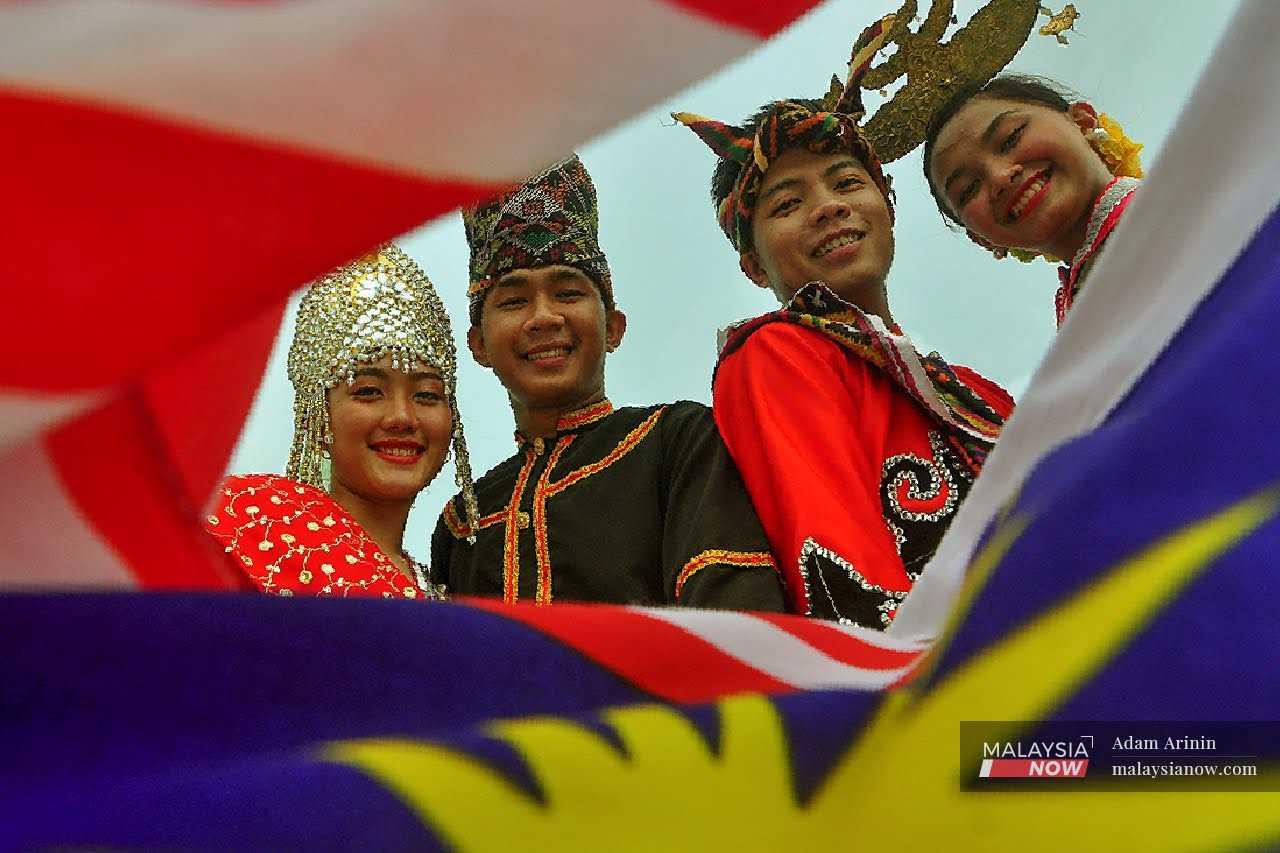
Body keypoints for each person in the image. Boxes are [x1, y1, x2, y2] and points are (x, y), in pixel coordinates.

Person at [674, 18, 1013, 629]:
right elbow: (844, 580)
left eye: (847, 183)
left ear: (887, 208)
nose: (828, 206)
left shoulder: (982, 394)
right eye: (787, 203)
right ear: (754, 265)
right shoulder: (778, 355)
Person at [430, 155, 786, 612]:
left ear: (614, 327)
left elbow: (737, 613)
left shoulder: (674, 441)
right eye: (514, 300)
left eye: (568, 293)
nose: (544, 317)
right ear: (479, 344)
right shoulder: (464, 525)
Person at [205, 244, 479, 600]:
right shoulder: (246, 520)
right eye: (368, 392)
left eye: (426, 394)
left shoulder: (442, 592)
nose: (402, 417)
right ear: (316, 414)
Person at [923, 73, 1144, 327]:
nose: (1000, 177)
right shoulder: (1073, 312)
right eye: (968, 190)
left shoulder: (1177, 204)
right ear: (982, 239)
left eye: (1011, 138)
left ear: (1082, 123)